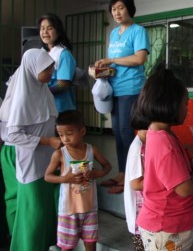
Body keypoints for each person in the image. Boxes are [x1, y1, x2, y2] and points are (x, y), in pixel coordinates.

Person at [135, 68, 193, 250]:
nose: (187, 109)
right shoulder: (165, 143)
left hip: (165, 225)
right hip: (167, 229)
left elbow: (173, 173)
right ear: (170, 104)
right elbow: (185, 188)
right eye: (185, 104)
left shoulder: (159, 134)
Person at [0, 48, 63, 250]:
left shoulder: (42, 90)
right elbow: (13, 135)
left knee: (39, 205)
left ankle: (42, 243)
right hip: (28, 156)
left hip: (44, 155)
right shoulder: (22, 96)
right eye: (47, 69)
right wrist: (47, 141)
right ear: (33, 69)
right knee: (32, 207)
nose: (51, 73)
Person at [94, 0, 150, 194]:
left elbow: (139, 59)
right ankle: (122, 172)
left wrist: (111, 61)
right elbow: (115, 64)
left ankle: (133, 176)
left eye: (121, 7)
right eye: (113, 9)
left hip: (131, 88)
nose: (117, 12)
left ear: (129, 8)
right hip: (114, 89)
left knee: (126, 132)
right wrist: (101, 69)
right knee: (117, 133)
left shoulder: (138, 31)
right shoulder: (113, 33)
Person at [44, 110, 111, 251]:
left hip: (90, 208)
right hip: (69, 210)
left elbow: (107, 166)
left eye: (69, 134)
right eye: (61, 135)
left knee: (91, 243)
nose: (65, 139)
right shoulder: (59, 154)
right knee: (67, 247)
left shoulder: (92, 150)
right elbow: (47, 176)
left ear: (82, 131)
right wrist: (65, 179)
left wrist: (97, 174)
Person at [123, 103, 150, 251]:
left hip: (145, 217)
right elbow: (136, 184)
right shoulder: (137, 148)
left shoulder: (146, 144)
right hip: (139, 221)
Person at [38, 13, 77, 113]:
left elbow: (62, 85)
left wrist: (41, 92)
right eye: (42, 28)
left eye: (50, 28)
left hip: (60, 108)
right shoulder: (41, 53)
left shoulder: (64, 54)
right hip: (44, 107)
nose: (45, 32)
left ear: (58, 31)